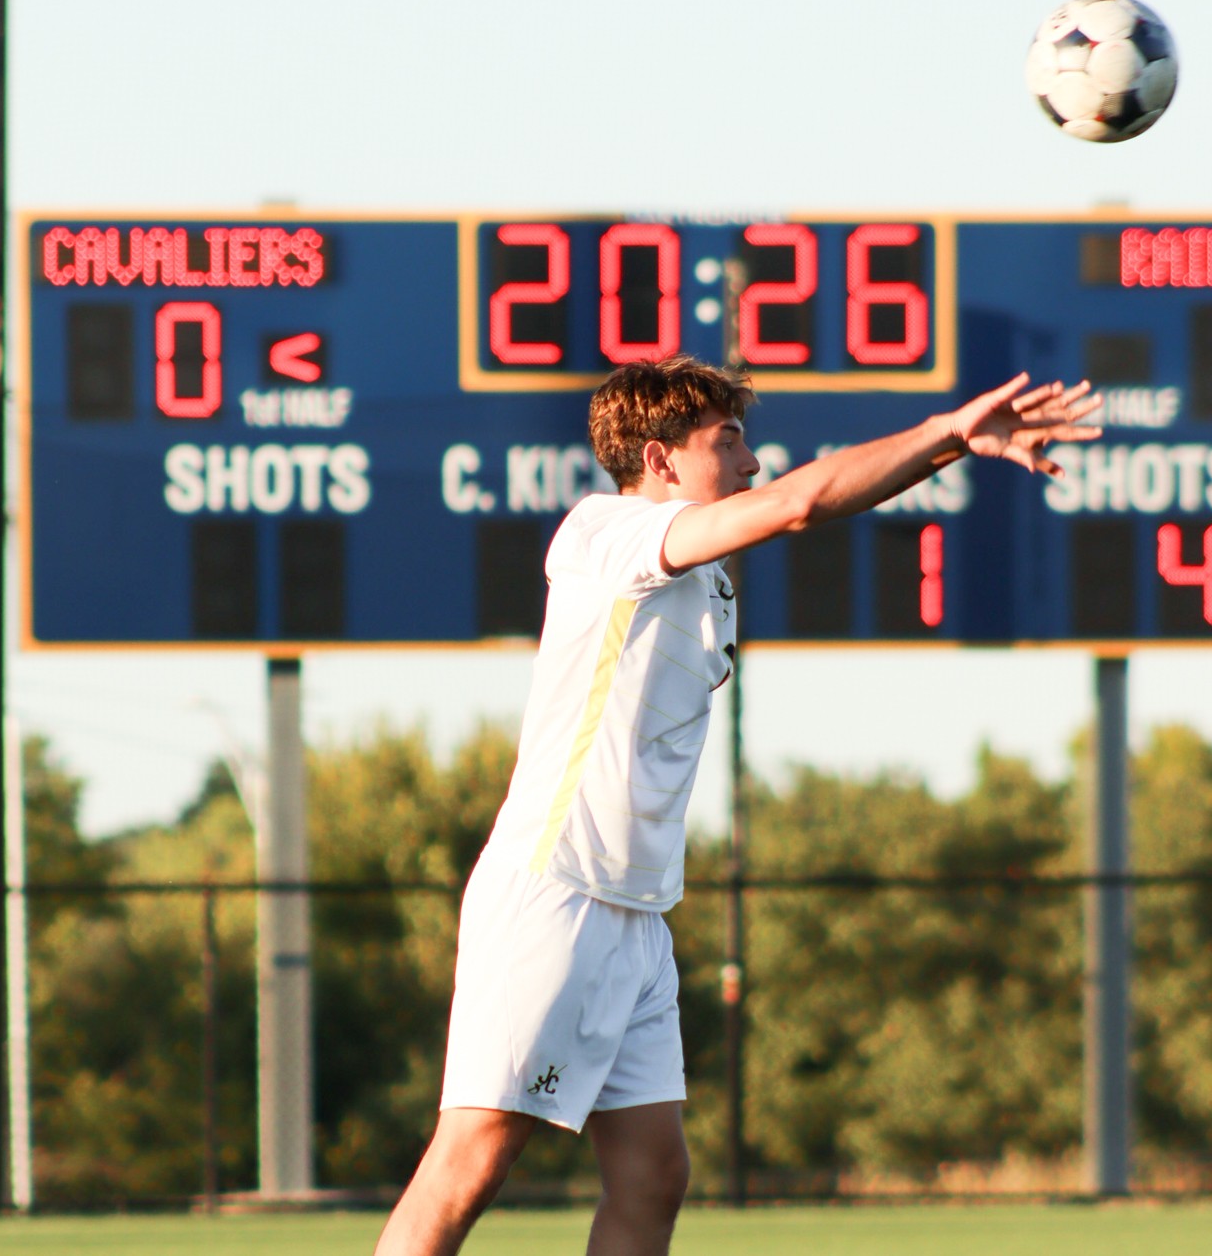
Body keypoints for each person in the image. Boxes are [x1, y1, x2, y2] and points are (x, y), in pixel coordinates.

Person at [374, 356, 1101, 1255]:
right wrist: (947, 432)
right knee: (473, 1160)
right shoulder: (606, 533)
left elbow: (802, 500)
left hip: (635, 914)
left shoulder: (699, 571)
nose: (751, 462)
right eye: (729, 443)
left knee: (653, 1176)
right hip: (550, 891)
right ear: (659, 458)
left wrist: (949, 451)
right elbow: (801, 502)